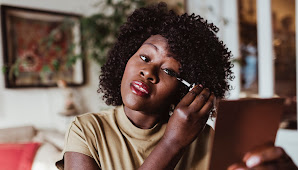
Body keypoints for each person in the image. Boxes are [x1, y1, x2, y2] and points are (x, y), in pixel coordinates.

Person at [56, 3, 297, 170]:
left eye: (169, 70)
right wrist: (172, 143)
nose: (148, 72)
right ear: (124, 59)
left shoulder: (206, 141)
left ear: (186, 89)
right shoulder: (86, 130)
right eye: (144, 57)